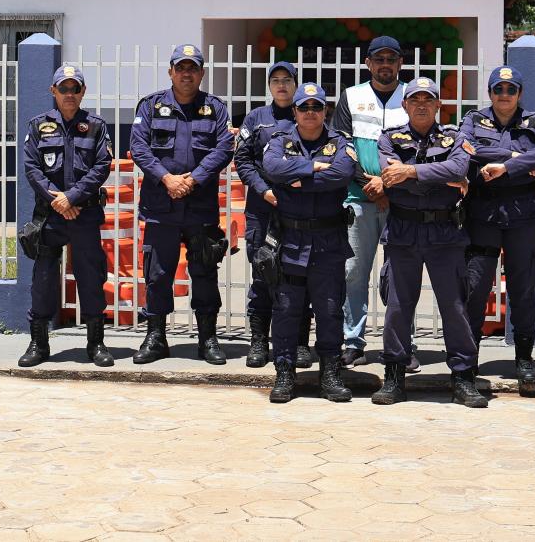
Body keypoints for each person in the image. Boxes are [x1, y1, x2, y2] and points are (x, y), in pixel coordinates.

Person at [372, 77, 484, 407]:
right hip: (403, 231)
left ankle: (463, 377)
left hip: (445, 235)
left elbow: (460, 166)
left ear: (438, 105)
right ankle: (394, 376)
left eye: (428, 99)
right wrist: (440, 177)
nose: (421, 104)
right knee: (397, 307)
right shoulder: (388, 137)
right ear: (405, 105)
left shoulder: (455, 136)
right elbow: (392, 180)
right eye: (415, 99)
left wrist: (409, 173)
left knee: (454, 307)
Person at [129, 43, 235, 365]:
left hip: (200, 206)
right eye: (181, 67)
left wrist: (193, 179)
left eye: (193, 68)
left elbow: (223, 148)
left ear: (201, 73)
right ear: (171, 71)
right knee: (158, 273)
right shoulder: (150, 106)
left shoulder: (215, 108)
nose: (186, 73)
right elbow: (139, 147)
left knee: (203, 271)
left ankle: (208, 339)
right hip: (161, 206)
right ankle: (156, 337)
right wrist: (167, 179)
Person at [459, 65, 535, 398]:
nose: (504, 95)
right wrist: (518, 158)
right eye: (498, 89)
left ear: (519, 93)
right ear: (490, 93)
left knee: (523, 287)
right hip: (483, 214)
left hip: (522, 216)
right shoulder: (473, 119)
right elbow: (467, 149)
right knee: (475, 287)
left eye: (510, 90)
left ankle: (524, 357)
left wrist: (505, 166)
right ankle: (467, 358)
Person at [261, 82, 356, 403]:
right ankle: (285, 372)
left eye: (317, 107)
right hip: (291, 240)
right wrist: (312, 166)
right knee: (287, 309)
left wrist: (298, 179)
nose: (311, 113)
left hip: (329, 241)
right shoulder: (280, 141)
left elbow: (342, 174)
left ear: (326, 110)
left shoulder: (340, 142)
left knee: (330, 310)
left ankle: (330, 372)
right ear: (295, 111)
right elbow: (272, 168)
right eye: (304, 107)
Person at [17, 64, 114, 368]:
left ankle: (96, 344)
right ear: (53, 92)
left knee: (91, 277)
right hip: (50, 216)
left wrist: (72, 197)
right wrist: (57, 200)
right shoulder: (38, 125)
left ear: (83, 92)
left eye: (75, 88)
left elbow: (102, 167)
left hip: (84, 214)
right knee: (44, 278)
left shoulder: (96, 127)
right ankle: (38, 343)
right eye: (64, 88)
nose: (69, 94)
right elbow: (32, 168)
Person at [331, 35, 409, 368]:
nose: (385, 64)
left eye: (392, 59)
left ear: (400, 63)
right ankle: (353, 341)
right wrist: (370, 185)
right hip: (357, 199)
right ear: (368, 63)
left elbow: (421, 148)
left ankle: (402, 344)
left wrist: (388, 187)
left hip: (403, 201)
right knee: (353, 272)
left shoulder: (413, 95)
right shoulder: (352, 96)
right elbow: (341, 146)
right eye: (379, 59)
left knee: (400, 275)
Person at [232, 61, 313, 369]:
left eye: (287, 80)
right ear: (269, 86)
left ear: (295, 84)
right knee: (263, 273)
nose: (281, 85)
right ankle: (258, 341)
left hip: (298, 210)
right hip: (262, 208)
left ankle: (300, 342)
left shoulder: (305, 115)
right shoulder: (256, 118)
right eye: (275, 80)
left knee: (299, 274)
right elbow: (243, 158)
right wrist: (263, 189)